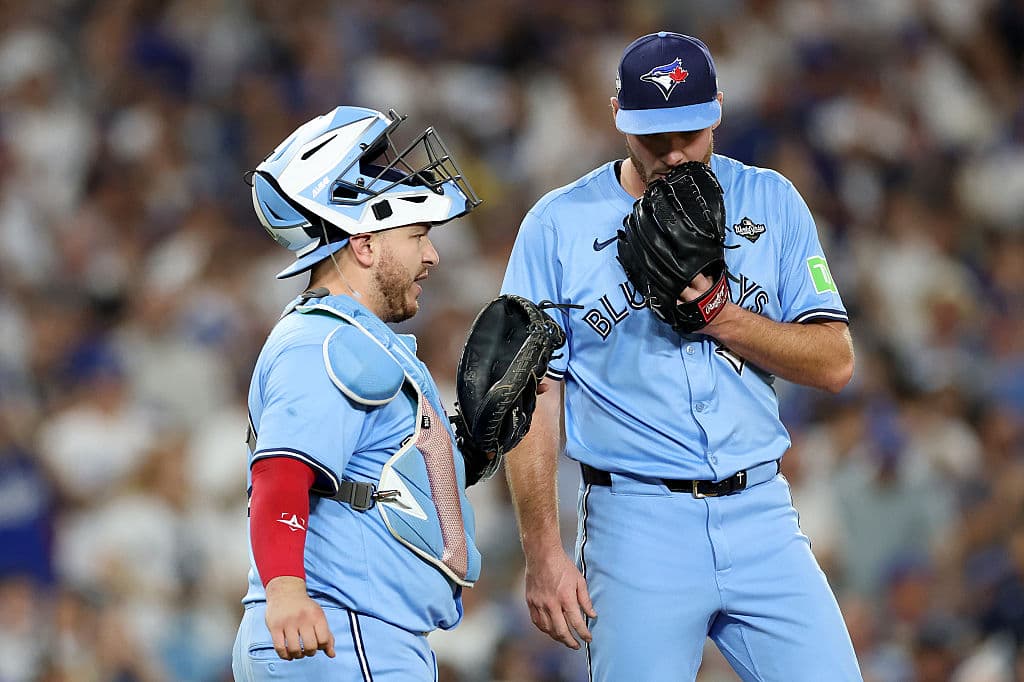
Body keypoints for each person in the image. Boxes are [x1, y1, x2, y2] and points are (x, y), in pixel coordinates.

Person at [500, 31, 863, 680]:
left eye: (688, 134)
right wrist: (543, 550)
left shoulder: (771, 202)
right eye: (653, 138)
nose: (672, 153)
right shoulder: (558, 226)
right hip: (636, 526)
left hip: (761, 514)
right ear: (617, 117)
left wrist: (722, 317)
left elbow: (834, 362)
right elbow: (534, 395)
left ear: (717, 111)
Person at [232, 105, 485, 681]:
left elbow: (382, 478)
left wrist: (473, 451)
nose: (432, 255)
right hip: (341, 634)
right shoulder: (320, 344)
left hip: (357, 635)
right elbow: (279, 474)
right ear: (365, 244)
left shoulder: (353, 340)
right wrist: (288, 590)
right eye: (418, 234)